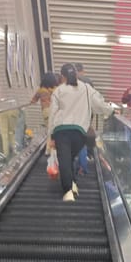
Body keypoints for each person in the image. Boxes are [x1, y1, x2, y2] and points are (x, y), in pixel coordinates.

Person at [49, 63, 113, 201]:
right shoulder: (87, 88)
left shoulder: (58, 90)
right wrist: (111, 111)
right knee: (70, 158)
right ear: (76, 74)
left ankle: (68, 192)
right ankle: (73, 184)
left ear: (62, 76)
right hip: (79, 132)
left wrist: (51, 136)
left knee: (64, 160)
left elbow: (52, 114)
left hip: (61, 130)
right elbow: (100, 104)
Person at [31, 72, 59, 154]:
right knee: (54, 131)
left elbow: (33, 100)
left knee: (50, 131)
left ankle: (49, 150)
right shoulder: (55, 90)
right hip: (54, 111)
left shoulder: (40, 90)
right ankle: (53, 149)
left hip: (46, 111)